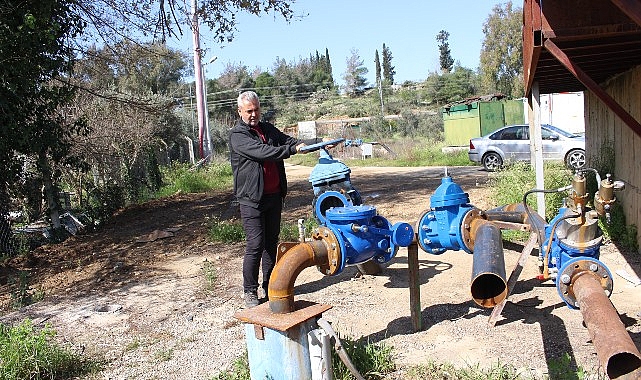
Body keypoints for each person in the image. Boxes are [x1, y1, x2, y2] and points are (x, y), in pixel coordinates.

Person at [228, 91, 315, 308]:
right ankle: (249, 291)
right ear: (240, 111)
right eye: (249, 111)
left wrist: (309, 144)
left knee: (270, 244)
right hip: (251, 199)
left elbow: (287, 140)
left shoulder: (267, 129)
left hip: (274, 196)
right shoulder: (238, 135)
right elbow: (264, 152)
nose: (253, 114)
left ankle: (269, 286)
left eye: (256, 109)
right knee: (255, 245)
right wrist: (291, 150)